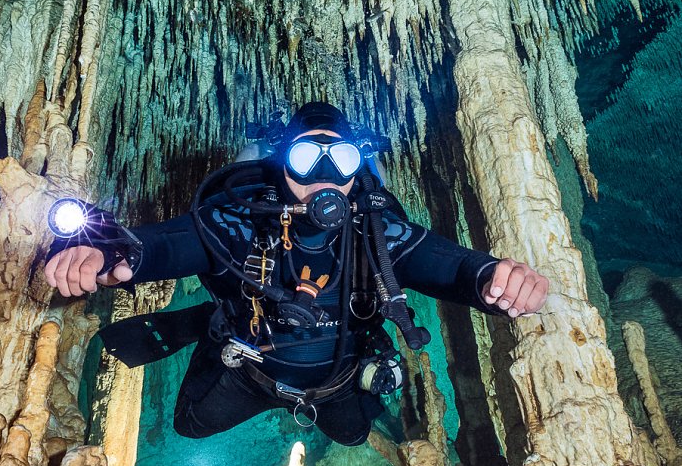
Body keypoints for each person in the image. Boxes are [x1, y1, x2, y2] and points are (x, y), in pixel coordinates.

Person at [44, 103, 549, 447]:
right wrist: (117, 259)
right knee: (190, 425)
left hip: (338, 380)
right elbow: (172, 242)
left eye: (341, 157)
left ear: (357, 170)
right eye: (306, 156)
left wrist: (490, 278)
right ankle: (211, 320)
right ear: (281, 164)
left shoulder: (375, 227)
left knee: (352, 434)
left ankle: (211, 316)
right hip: (250, 367)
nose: (324, 173)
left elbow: (442, 261)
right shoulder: (243, 220)